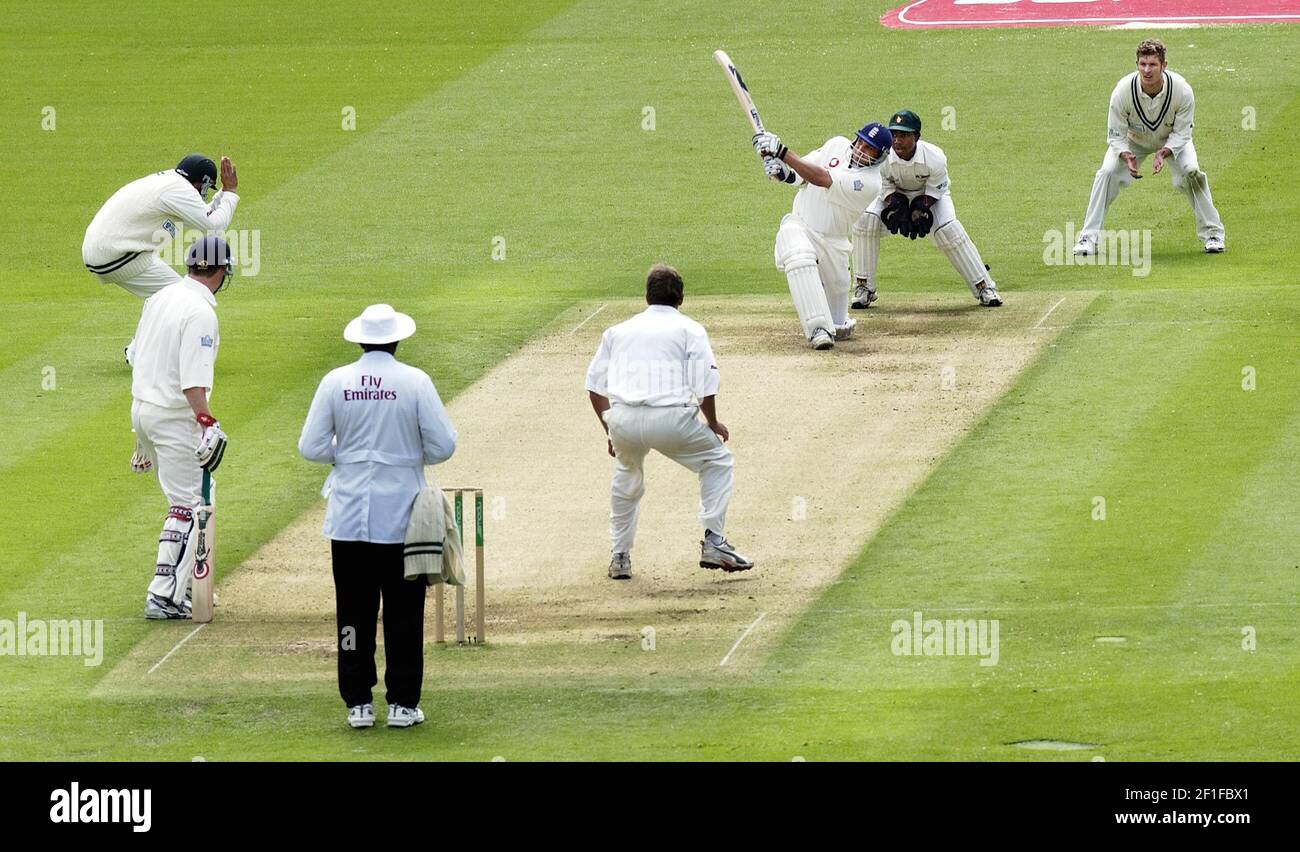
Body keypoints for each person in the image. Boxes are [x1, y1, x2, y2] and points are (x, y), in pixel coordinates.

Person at [298, 304, 457, 730]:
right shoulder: (415, 381)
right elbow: (443, 446)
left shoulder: (336, 381)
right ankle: (403, 704)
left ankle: (358, 704)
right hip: (403, 516)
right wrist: (405, 456)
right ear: (396, 340)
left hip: (349, 516)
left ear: (361, 340)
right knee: (405, 612)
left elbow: (311, 447)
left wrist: (349, 457)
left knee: (353, 612)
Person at [585, 264, 753, 580]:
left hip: (623, 420)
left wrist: (611, 431)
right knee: (717, 461)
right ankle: (714, 541)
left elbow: (594, 386)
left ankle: (620, 556)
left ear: (647, 296)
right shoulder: (690, 329)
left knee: (627, 475)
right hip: (670, 419)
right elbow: (705, 382)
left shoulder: (617, 331)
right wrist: (713, 423)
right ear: (681, 299)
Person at [131, 236, 233, 620]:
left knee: (189, 499)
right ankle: (165, 595)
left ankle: (189, 582)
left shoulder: (160, 297)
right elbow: (193, 381)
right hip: (174, 417)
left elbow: (137, 356)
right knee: (190, 505)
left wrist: (140, 436)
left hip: (144, 409)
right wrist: (206, 421)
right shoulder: (201, 313)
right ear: (221, 271)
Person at [1073, 39, 1225, 256]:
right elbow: (1115, 133)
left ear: (1164, 65)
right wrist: (1126, 154)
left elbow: (1183, 133)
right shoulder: (1122, 91)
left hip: (1172, 139)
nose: (1147, 70)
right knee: (1106, 173)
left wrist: (1164, 152)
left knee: (1191, 171)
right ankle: (1088, 239)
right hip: (1134, 141)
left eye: (1152, 64)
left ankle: (1213, 234)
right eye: (1142, 64)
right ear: (1136, 64)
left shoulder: (1182, 90)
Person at [753, 122, 893, 349]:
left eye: (870, 149)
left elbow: (821, 178)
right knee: (798, 252)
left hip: (834, 244)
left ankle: (834, 323)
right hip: (802, 225)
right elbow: (801, 174)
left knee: (839, 326)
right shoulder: (836, 145)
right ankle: (817, 329)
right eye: (861, 143)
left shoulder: (870, 183)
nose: (861, 150)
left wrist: (782, 152)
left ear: (880, 156)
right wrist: (782, 171)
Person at [853, 110, 1003, 308]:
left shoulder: (935, 157)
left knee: (949, 230)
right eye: (894, 135)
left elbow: (936, 190)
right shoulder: (884, 156)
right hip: (894, 195)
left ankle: (985, 287)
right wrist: (897, 206)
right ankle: (863, 287)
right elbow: (882, 185)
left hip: (931, 196)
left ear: (917, 136)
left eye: (904, 136)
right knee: (866, 220)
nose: (897, 141)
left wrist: (920, 208)